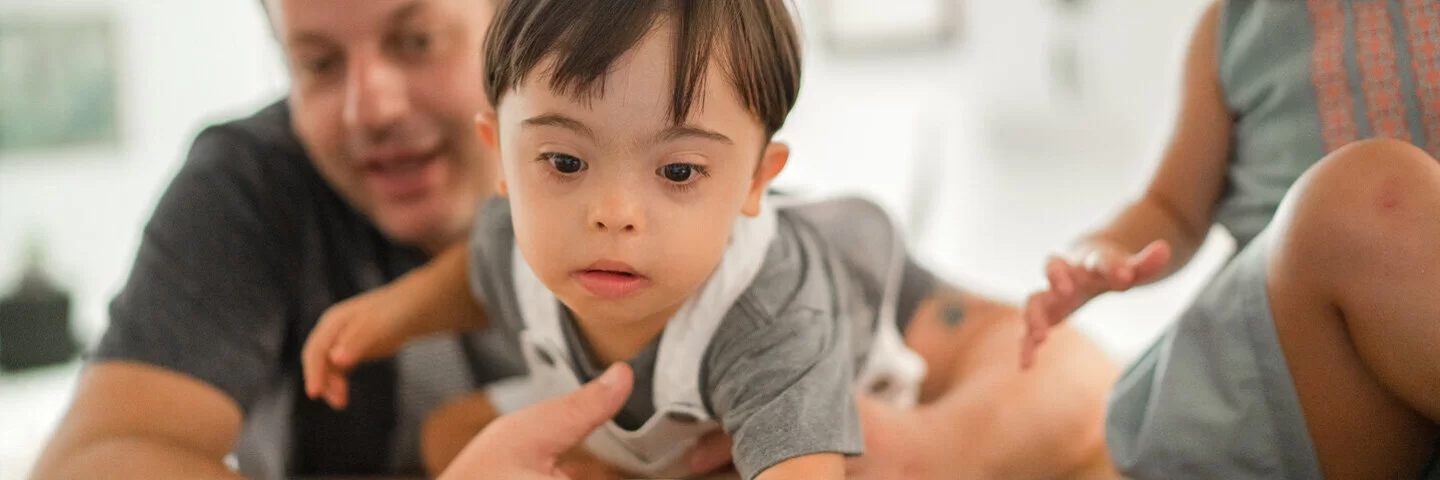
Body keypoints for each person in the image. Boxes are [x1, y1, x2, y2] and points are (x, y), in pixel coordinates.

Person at [306, 1, 1120, 480]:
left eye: (680, 172)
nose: (613, 212)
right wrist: (384, 317)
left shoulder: (770, 322)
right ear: (504, 162)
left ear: (757, 182)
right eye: (564, 160)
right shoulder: (510, 238)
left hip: (837, 433)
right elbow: (472, 280)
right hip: (635, 424)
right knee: (449, 438)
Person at [32, 0, 528, 477]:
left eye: (418, 41)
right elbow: (88, 465)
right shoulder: (251, 186)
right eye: (318, 64)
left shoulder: (603, 159)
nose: (371, 110)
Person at [1023, 1, 1440, 478]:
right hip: (1297, 354)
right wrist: (1102, 250)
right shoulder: (1235, 24)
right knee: (1370, 195)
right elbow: (1172, 208)